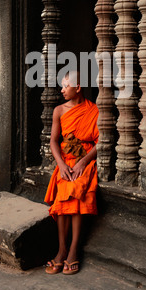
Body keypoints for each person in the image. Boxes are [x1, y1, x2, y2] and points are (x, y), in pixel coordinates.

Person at [44, 71, 99, 275]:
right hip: (66, 162)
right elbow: (53, 141)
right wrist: (62, 164)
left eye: (66, 86)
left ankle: (73, 250)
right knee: (63, 192)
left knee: (75, 189)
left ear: (78, 88)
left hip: (84, 162)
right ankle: (62, 249)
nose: (62, 90)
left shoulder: (93, 110)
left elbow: (100, 142)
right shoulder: (59, 110)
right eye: (62, 86)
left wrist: (84, 162)